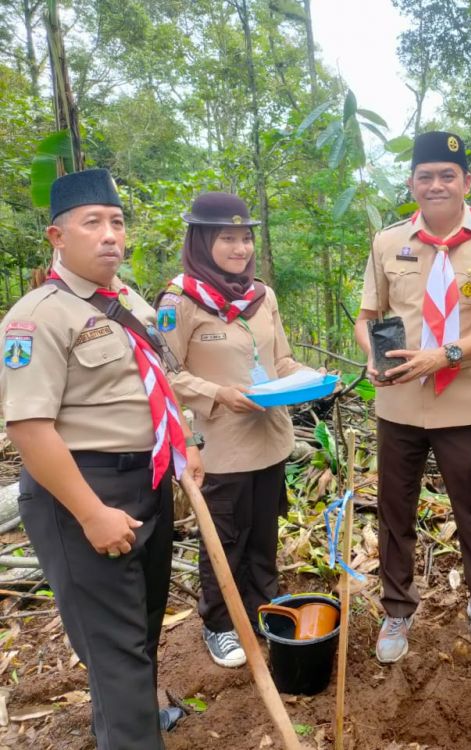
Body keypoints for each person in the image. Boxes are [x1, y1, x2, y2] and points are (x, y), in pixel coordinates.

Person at [0, 169, 204, 748]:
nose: (110, 234)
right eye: (92, 223)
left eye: (116, 221)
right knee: (115, 651)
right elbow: (29, 428)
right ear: (57, 236)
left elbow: (157, 384)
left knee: (141, 628)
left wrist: (186, 446)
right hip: (82, 492)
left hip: (147, 482)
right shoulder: (36, 317)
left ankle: (127, 724)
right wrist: (91, 513)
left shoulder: (130, 301)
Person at [353, 130, 471, 663]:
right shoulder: (388, 242)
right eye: (425, 176)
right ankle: (397, 609)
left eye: (447, 175)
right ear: (412, 184)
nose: (436, 185)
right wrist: (372, 355)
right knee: (394, 509)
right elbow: (367, 317)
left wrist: (444, 355)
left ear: (466, 181)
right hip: (400, 399)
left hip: (465, 398)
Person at [156, 192, 308, 668]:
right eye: (227, 238)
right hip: (220, 445)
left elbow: (281, 360)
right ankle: (220, 623)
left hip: (270, 438)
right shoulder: (178, 301)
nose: (240, 248)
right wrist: (218, 393)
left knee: (263, 533)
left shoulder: (262, 295)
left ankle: (264, 608)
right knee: (224, 538)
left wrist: (313, 378)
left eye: (246, 238)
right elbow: (165, 375)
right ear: (202, 241)